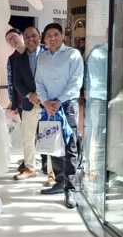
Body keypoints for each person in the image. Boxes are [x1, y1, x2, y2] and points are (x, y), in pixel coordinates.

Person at [35, 23, 83, 209]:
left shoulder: (73, 54)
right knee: (52, 143)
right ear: (44, 39)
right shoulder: (42, 57)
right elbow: (38, 82)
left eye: (56, 34)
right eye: (48, 36)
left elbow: (76, 81)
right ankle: (59, 181)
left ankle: (70, 189)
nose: (52, 38)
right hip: (49, 106)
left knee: (69, 145)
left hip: (67, 104)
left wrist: (59, 101)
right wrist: (45, 102)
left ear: (62, 36)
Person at [10, 26, 44, 180]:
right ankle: (30, 168)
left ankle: (51, 171)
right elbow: (16, 82)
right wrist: (30, 95)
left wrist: (42, 95)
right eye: (27, 36)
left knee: (48, 136)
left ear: (40, 36)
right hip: (29, 103)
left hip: (47, 103)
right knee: (27, 137)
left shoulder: (49, 54)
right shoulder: (18, 58)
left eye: (34, 36)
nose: (31, 39)